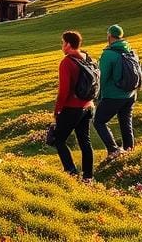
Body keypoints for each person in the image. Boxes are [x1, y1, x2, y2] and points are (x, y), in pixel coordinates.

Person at [53, 30, 95, 180]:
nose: (62, 46)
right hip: (88, 106)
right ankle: (88, 177)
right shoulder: (88, 58)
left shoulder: (66, 63)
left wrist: (57, 110)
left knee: (58, 139)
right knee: (85, 141)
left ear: (69, 44)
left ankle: (71, 172)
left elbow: (64, 90)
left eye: (63, 43)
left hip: (72, 107)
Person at [93, 24, 138, 160]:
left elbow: (102, 77)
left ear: (109, 36)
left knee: (99, 121)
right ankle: (129, 150)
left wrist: (97, 96)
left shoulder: (109, 54)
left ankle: (113, 150)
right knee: (125, 121)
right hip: (130, 94)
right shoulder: (130, 51)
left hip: (114, 96)